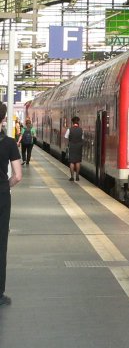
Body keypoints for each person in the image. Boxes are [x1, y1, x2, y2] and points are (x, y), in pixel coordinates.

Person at [1, 102, 23, 307]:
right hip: (1, 197)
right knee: (1, 245)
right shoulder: (8, 143)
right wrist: (5, 186)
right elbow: (18, 176)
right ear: (3, 119)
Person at [65, 116, 84, 182]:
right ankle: (77, 176)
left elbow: (66, 137)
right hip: (79, 147)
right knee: (78, 161)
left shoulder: (69, 129)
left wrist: (68, 143)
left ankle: (72, 177)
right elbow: (82, 138)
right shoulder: (81, 130)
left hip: (72, 146)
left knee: (72, 162)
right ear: (78, 122)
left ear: (72, 122)